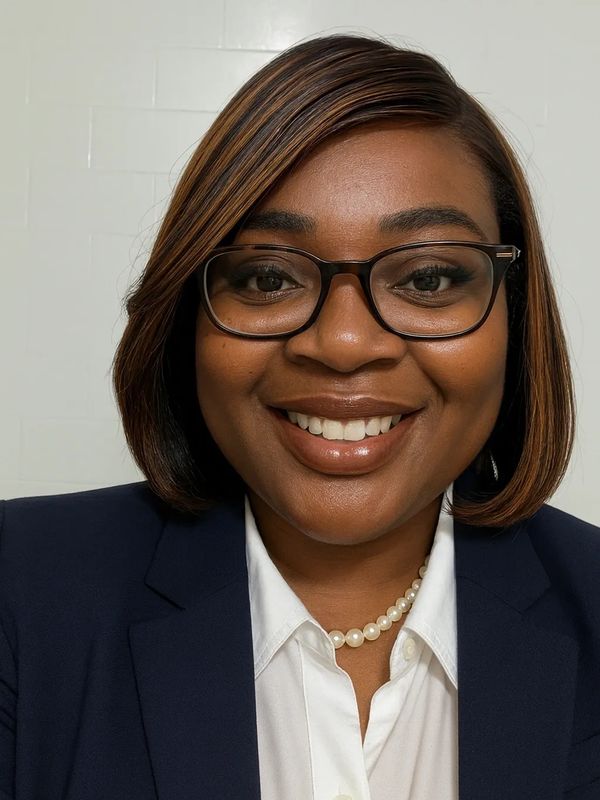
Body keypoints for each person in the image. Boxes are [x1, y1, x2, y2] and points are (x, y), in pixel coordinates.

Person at [1, 33, 599, 800]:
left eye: (428, 276)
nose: (344, 343)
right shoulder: (21, 598)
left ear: (513, 318)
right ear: (189, 315)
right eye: (266, 277)